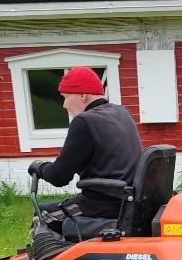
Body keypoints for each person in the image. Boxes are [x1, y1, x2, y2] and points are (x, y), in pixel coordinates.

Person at [32, 67, 142, 233]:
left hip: (102, 205)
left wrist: (39, 167)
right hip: (129, 200)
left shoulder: (84, 122)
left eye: (66, 97)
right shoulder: (122, 112)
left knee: (43, 214)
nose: (64, 105)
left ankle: (56, 258)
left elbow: (59, 176)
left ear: (82, 96)